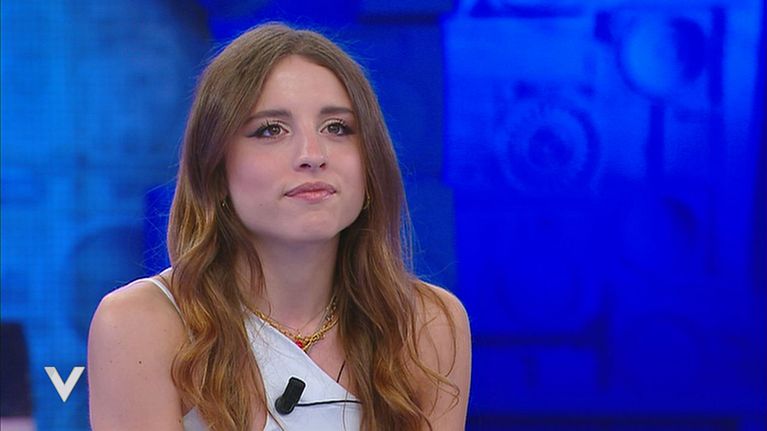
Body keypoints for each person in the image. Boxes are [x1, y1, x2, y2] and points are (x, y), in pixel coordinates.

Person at [87, 22, 471, 431]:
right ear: (215, 169)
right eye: (271, 130)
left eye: (337, 128)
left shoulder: (426, 323)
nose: (313, 154)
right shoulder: (143, 323)